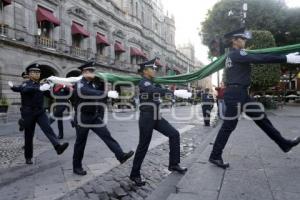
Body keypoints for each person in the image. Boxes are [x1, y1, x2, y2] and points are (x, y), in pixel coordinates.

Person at [209, 27, 300, 169]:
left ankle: (284, 144)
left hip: (241, 94)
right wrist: (286, 58)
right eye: (242, 38)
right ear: (234, 40)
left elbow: (259, 56)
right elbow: (260, 58)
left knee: (262, 118)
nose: (245, 41)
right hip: (236, 94)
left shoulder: (232, 55)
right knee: (228, 126)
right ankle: (215, 155)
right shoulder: (237, 54)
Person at [130, 58, 187, 187]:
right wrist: (170, 92)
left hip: (156, 116)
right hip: (146, 117)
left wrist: (171, 93)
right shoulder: (144, 82)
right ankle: (135, 174)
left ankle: (173, 164)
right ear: (145, 71)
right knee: (143, 145)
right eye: (152, 69)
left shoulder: (154, 82)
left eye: (155, 68)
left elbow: (162, 92)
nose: (155, 70)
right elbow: (152, 91)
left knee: (174, 134)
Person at [72, 61, 134, 176]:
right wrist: (105, 94)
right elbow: (86, 92)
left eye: (92, 71)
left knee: (107, 136)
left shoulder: (93, 84)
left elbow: (97, 96)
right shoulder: (80, 83)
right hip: (82, 117)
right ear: (84, 72)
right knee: (80, 143)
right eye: (90, 71)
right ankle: (77, 167)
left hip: (94, 117)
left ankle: (120, 155)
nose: (92, 73)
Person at [11, 64, 69, 164]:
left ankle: (58, 147)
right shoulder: (26, 84)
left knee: (48, 128)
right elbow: (26, 90)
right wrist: (39, 89)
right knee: (29, 135)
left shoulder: (40, 85)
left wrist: (52, 87)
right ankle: (28, 157)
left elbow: (51, 95)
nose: (37, 74)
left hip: (40, 112)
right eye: (34, 72)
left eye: (38, 72)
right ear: (29, 74)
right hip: (28, 113)